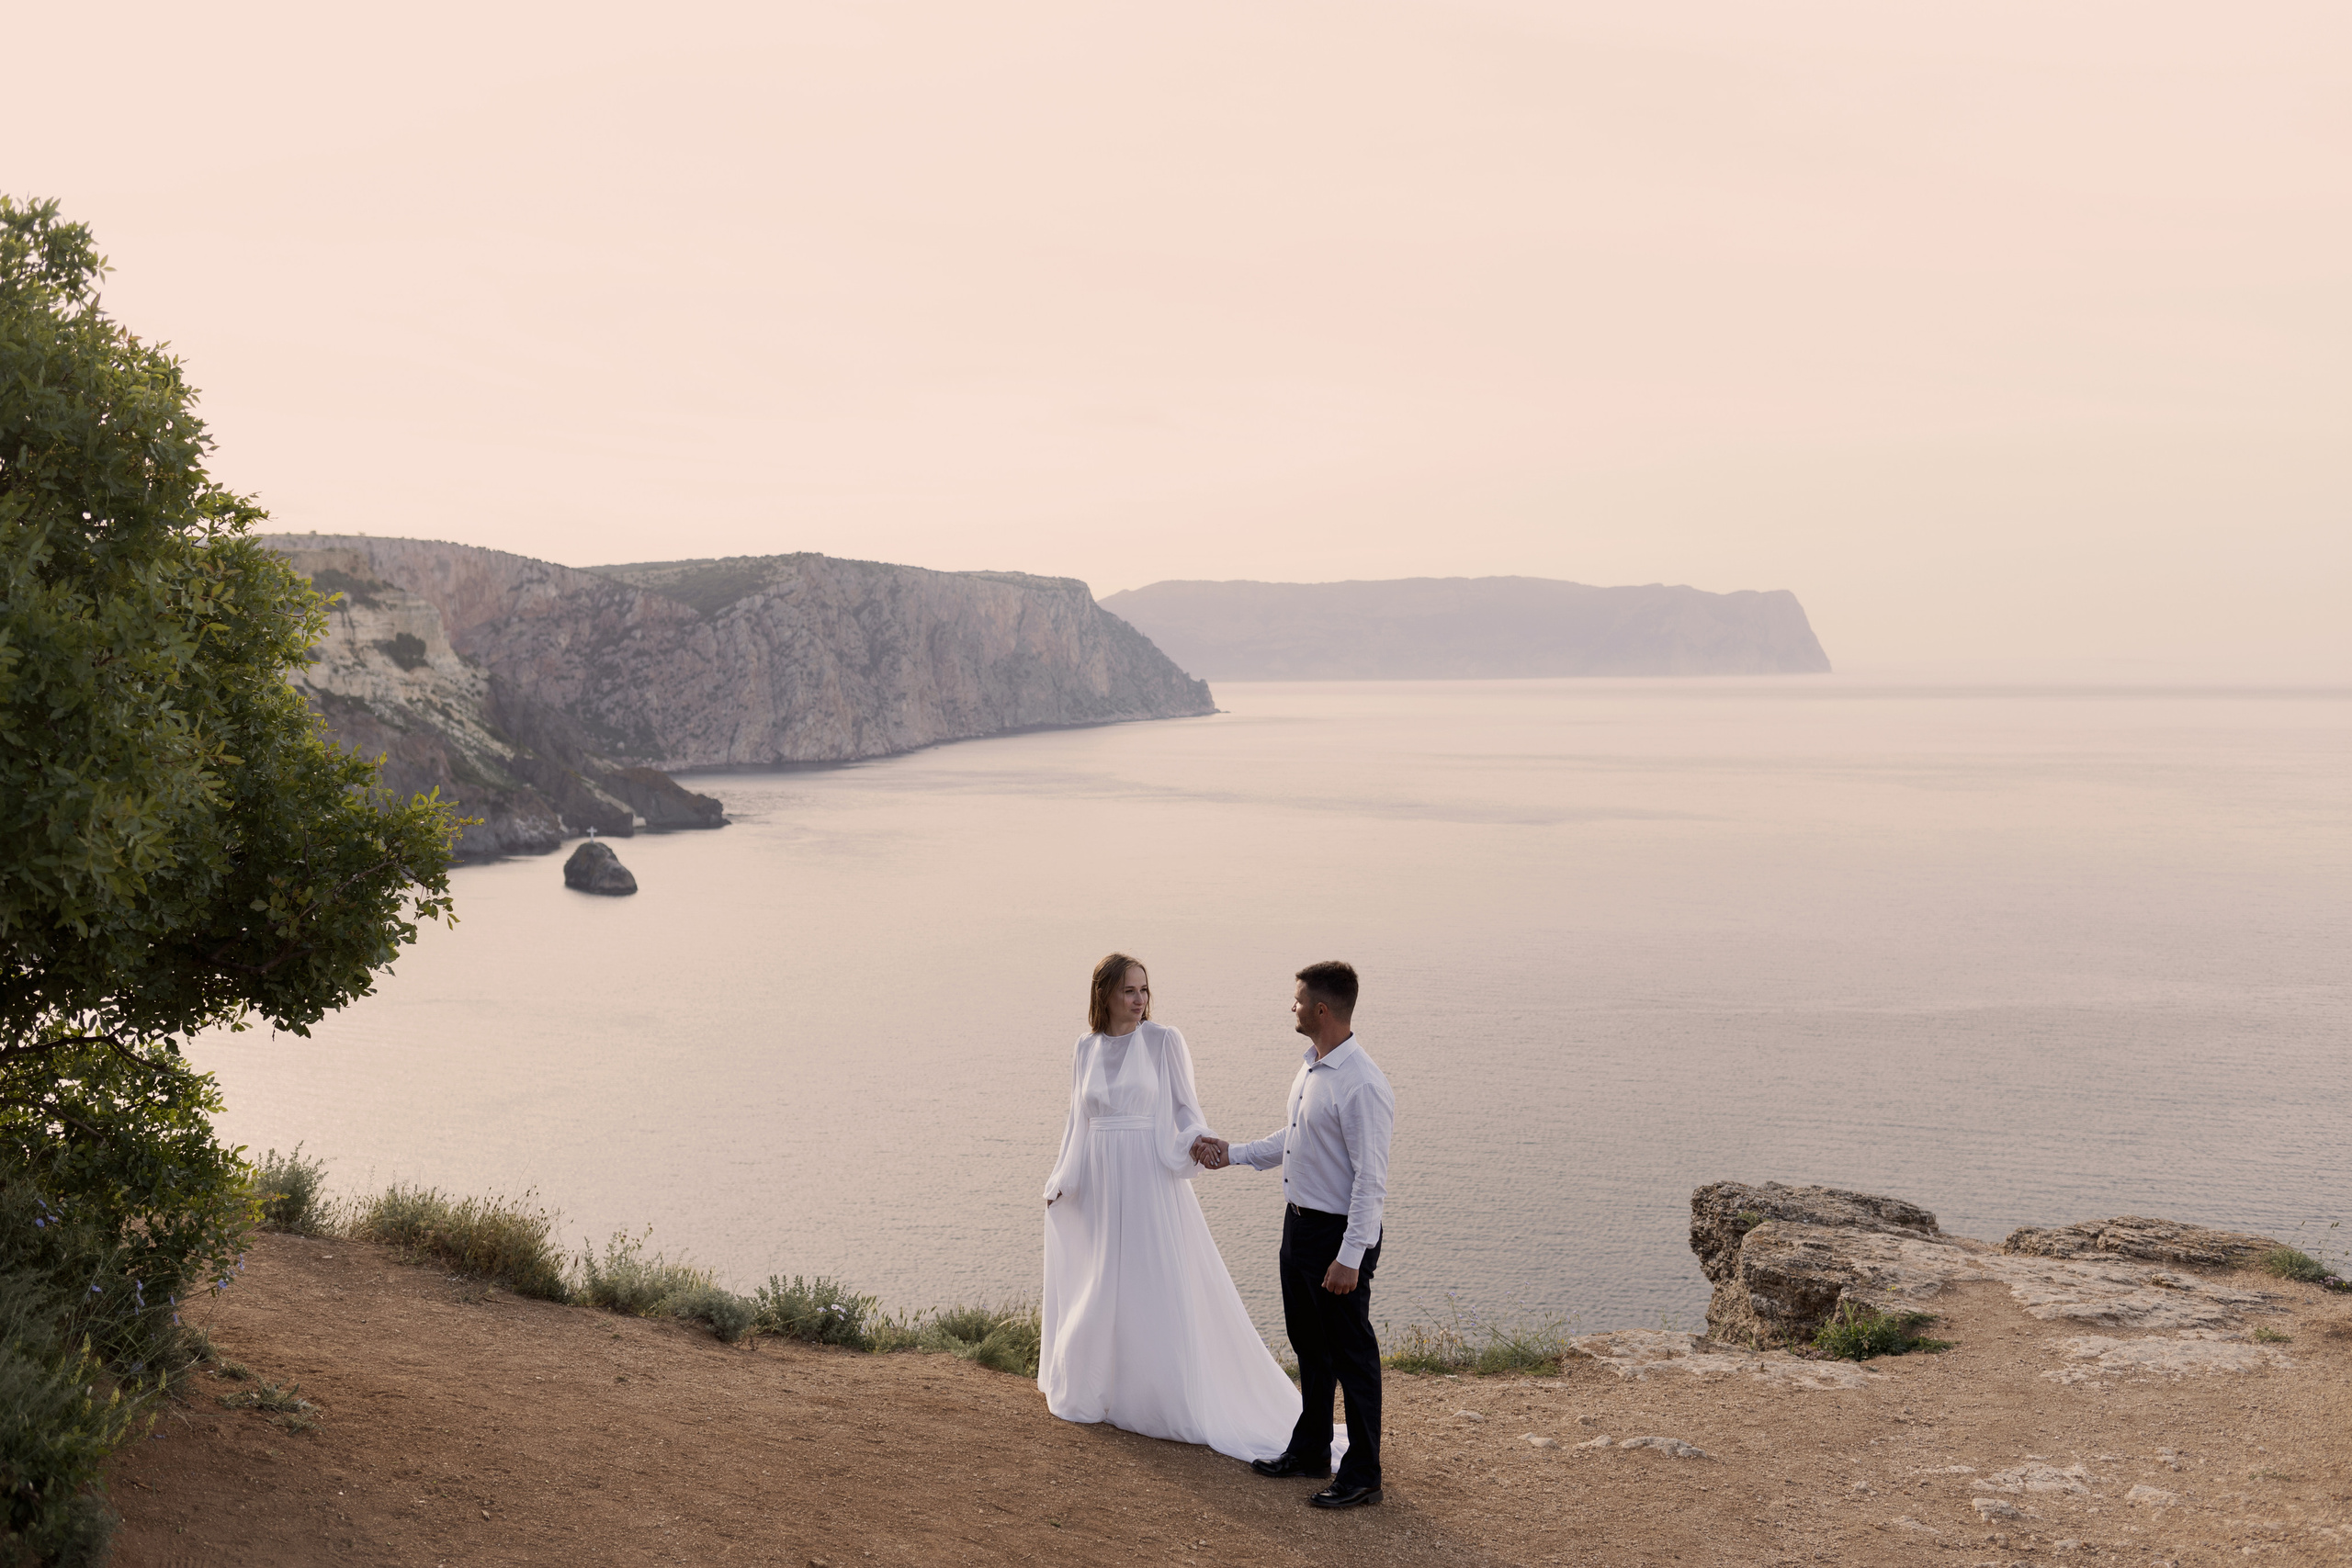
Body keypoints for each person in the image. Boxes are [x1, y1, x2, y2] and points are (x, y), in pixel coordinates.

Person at [1038, 953, 1300, 1461]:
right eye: (1129, 990)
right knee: (1098, 1280)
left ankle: (1159, 1397)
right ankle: (1101, 1388)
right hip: (1099, 1179)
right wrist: (1061, 1179)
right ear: (1105, 994)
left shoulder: (1163, 1041)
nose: (1140, 999)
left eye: (1144, 990)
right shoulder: (1085, 1047)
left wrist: (1198, 1139)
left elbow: (1185, 1108)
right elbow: (1077, 1122)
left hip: (1146, 1177)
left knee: (1149, 1280)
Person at [1192, 960, 1394, 1510]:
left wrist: (1350, 1256)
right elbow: (1298, 1136)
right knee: (1310, 1346)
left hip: (1337, 1237)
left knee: (1352, 1356)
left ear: (1321, 1010)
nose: (1292, 1007)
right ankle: (1310, 1451)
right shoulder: (1313, 1069)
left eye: (1299, 1000)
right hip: (1300, 1227)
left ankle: (1364, 1474)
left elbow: (1371, 1181)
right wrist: (1233, 1153)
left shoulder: (1363, 1084)